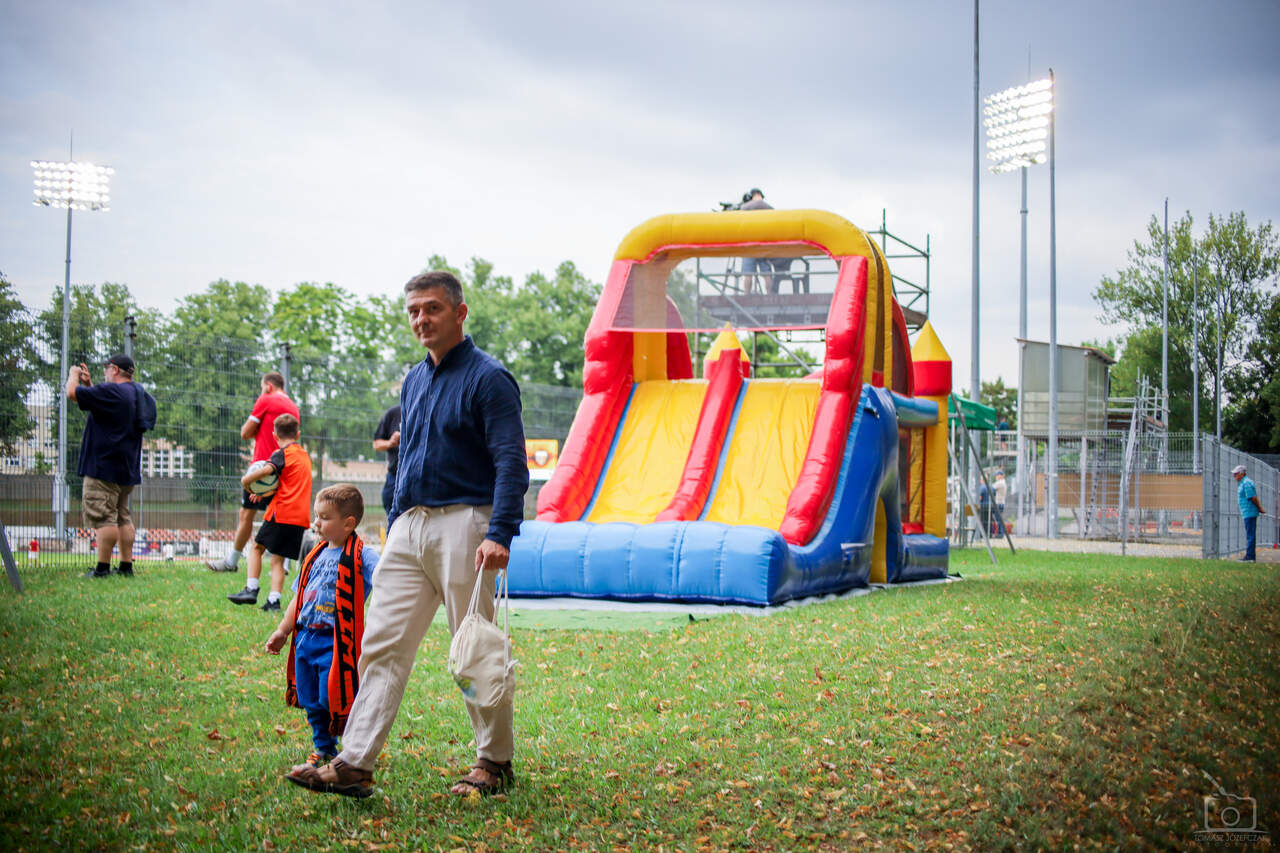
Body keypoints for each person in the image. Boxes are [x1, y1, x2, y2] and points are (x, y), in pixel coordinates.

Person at [288, 269, 529, 800]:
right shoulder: (414, 380)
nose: (422, 319)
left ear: (460, 313)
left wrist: (499, 532)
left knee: (472, 646)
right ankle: (354, 764)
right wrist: (396, 518)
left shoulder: (490, 379)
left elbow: (511, 461)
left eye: (432, 308)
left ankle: (494, 761)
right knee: (380, 643)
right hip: (408, 527)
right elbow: (406, 456)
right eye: (414, 311)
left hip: (467, 525)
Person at [266, 484, 379, 776]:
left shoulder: (362, 555)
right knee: (311, 699)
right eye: (316, 516)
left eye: (324, 517)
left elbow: (385, 577)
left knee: (335, 696)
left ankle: (354, 748)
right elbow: (299, 598)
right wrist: (283, 631)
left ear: (348, 523)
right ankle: (324, 747)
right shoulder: (314, 556)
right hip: (306, 639)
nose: (316, 523)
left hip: (337, 642)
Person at [65, 354, 157, 578]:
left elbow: (72, 393)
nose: (105, 372)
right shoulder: (137, 393)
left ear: (114, 369)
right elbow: (106, 407)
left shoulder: (112, 391)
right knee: (123, 516)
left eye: (106, 368)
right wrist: (90, 385)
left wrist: (73, 375)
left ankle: (102, 568)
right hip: (126, 468)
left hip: (103, 467)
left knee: (104, 517)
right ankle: (126, 567)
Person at [206, 372, 300, 573]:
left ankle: (231, 561)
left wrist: (257, 430)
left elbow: (245, 433)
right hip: (285, 467)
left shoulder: (266, 399)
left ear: (268, 386)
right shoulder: (293, 407)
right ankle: (282, 564)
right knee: (281, 516)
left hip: (262, 468)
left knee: (246, 514)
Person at [228, 414, 313, 611]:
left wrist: (247, 481)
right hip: (300, 519)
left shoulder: (281, 454)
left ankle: (251, 589)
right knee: (278, 559)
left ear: (274, 435)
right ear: (298, 434)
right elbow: (288, 485)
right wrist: (264, 493)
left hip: (281, 513)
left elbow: (267, 471)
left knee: (257, 548)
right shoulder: (304, 456)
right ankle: (274, 602)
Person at [738, 188, 774, 293]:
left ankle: (747, 295)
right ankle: (769, 296)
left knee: (748, 275)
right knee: (767, 274)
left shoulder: (745, 207)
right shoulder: (769, 208)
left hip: (749, 246)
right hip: (763, 245)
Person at [372, 403, 402, 515]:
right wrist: (390, 442)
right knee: (390, 508)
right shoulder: (393, 413)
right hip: (394, 475)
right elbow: (376, 444)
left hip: (419, 475)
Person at [1233, 464, 1266, 562]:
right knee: (1250, 535)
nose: (1234, 476)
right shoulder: (1243, 483)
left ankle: (1250, 557)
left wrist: (1259, 508)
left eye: (1236, 474)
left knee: (1250, 535)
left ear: (1242, 473)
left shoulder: (1246, 483)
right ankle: (1250, 555)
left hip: (1249, 512)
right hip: (1247, 512)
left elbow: (1253, 497)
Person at [992, 471, 1008, 535]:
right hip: (1000, 503)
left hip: (998, 503)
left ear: (1001, 476)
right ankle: (999, 532)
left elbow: (991, 488)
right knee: (998, 519)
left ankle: (1000, 533)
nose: (996, 476)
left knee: (998, 519)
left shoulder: (1000, 482)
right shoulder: (1002, 482)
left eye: (997, 475)